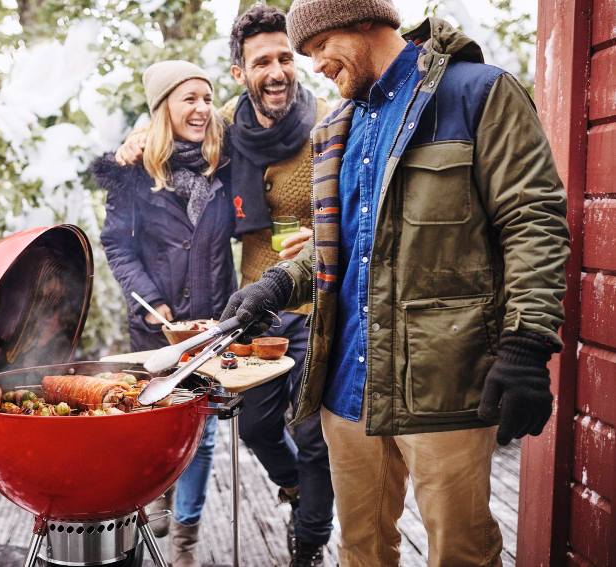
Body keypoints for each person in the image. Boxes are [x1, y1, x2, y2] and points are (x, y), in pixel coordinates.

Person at [222, 0, 570, 564]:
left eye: (317, 48)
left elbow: (534, 224)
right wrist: (277, 286)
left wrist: (527, 344)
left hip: (444, 387)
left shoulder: (478, 94)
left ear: (360, 22)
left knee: (461, 552)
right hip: (346, 391)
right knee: (360, 550)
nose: (313, 67)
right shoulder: (337, 126)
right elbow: (337, 248)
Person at [115, 7, 335, 565]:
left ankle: (309, 538)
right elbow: (178, 123)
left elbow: (358, 207)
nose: (278, 70)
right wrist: (139, 135)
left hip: (317, 300)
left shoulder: (330, 123)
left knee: (312, 436)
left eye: (286, 57)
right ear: (241, 72)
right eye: (263, 61)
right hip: (257, 304)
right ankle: (295, 490)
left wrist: (322, 234)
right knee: (258, 427)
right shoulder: (229, 125)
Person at [94, 60, 235, 567]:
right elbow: (116, 245)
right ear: (162, 108)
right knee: (156, 422)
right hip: (155, 326)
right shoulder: (133, 172)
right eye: (188, 99)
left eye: (206, 98)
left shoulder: (226, 157)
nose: (201, 109)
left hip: (214, 324)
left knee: (202, 432)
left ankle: (184, 541)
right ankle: (155, 502)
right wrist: (152, 302)